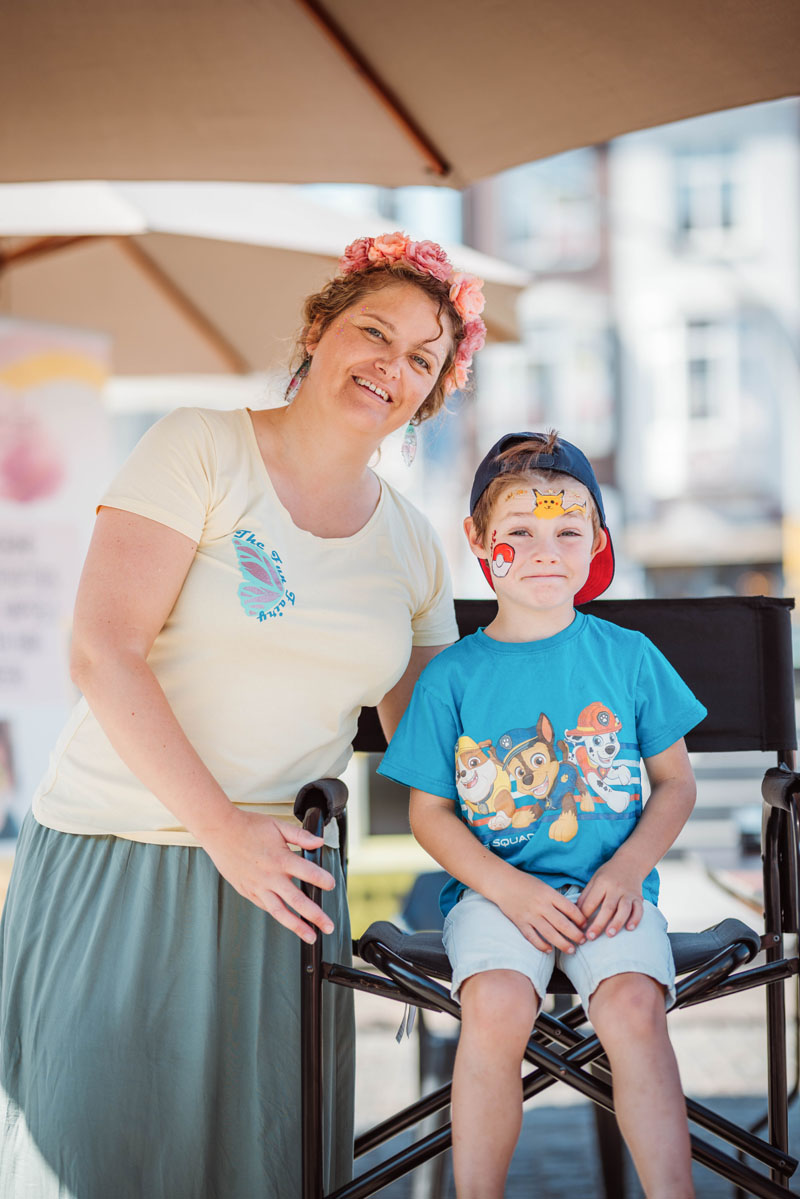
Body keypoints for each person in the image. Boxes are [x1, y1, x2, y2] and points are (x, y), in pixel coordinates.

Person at [0, 232, 487, 1199]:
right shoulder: (202, 445)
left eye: (422, 359)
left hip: (286, 887)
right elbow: (104, 651)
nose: (391, 366)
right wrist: (224, 831)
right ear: (319, 328)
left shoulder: (412, 544)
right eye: (373, 331)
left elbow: (438, 744)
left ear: (433, 391)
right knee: (98, 1161)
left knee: (257, 1166)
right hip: (121, 853)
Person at [378, 430, 707, 1199]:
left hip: (609, 893)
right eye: (517, 533)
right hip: (498, 895)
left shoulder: (628, 658)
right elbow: (429, 812)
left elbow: (676, 785)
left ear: (597, 539)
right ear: (478, 541)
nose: (544, 551)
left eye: (567, 531)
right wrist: (509, 889)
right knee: (495, 1001)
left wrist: (628, 870)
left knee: (632, 1005)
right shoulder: (451, 676)